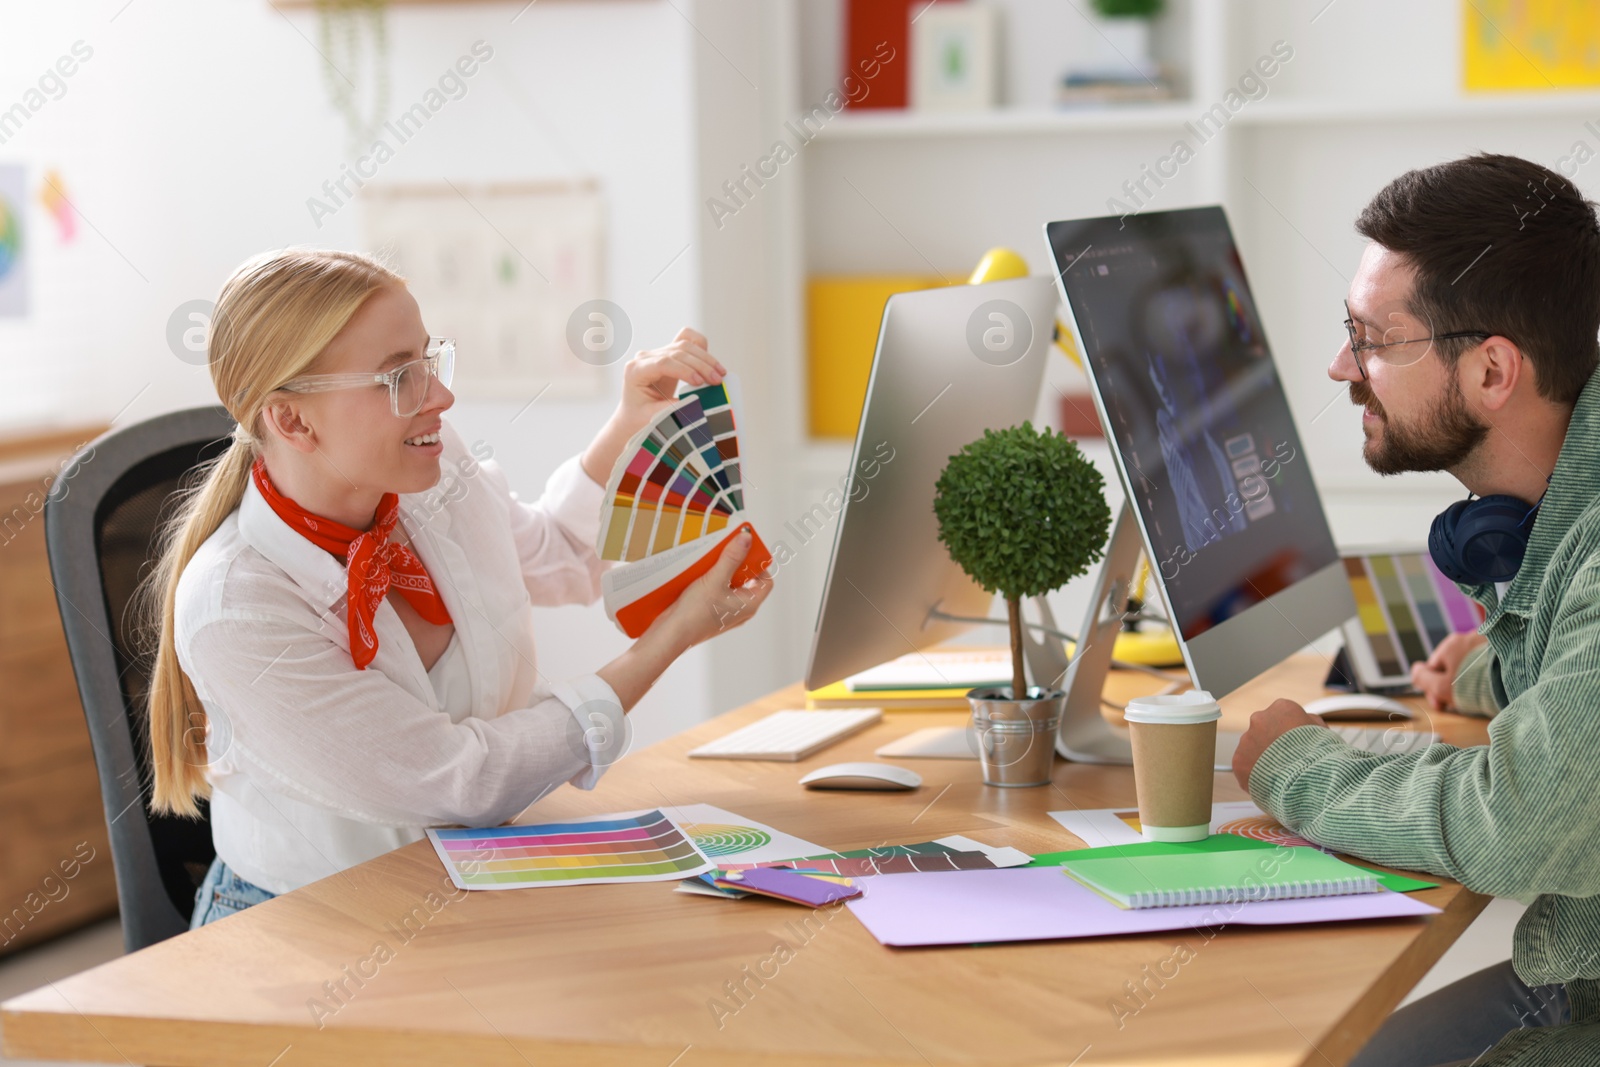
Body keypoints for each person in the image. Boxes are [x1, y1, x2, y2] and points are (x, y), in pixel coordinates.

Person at [138, 248, 773, 927]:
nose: (440, 397)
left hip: (470, 875)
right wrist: (670, 639)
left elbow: (557, 554)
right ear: (292, 421)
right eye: (399, 378)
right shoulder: (238, 608)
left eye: (429, 361)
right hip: (311, 922)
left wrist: (630, 424)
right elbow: (462, 779)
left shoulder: (431, 471)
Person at [1231, 153, 1600, 1065]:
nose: (1340, 366)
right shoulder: (1552, 514)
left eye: (1372, 339)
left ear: (1491, 372)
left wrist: (1297, 766)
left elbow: (1513, 823)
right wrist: (1496, 671)